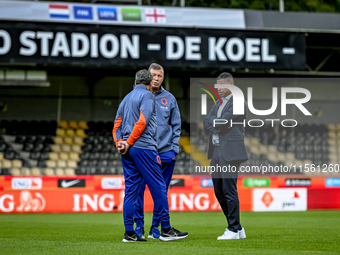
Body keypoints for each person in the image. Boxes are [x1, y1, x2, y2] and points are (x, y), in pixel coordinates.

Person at [112, 69, 188, 242]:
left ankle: (129, 233)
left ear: (134, 82)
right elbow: (143, 120)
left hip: (128, 151)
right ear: (148, 84)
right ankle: (166, 230)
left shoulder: (125, 98)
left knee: (131, 191)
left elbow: (116, 125)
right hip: (145, 148)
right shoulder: (148, 96)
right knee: (160, 187)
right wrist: (130, 141)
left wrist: (121, 144)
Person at [133, 63, 181, 239]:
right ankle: (138, 229)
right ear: (148, 76)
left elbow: (176, 125)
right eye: (153, 75)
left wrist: (173, 149)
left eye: (160, 75)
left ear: (163, 78)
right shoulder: (137, 96)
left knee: (161, 192)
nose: (156, 78)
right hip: (144, 152)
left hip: (165, 152)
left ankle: (156, 229)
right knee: (138, 192)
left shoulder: (169, 99)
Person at [203, 72, 248, 240]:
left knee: (229, 190)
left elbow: (222, 121)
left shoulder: (239, 101)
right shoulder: (218, 103)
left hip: (230, 151)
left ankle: (233, 228)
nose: (219, 89)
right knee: (219, 191)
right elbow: (206, 122)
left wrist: (216, 123)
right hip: (216, 150)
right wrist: (217, 124)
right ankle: (238, 228)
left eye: (222, 86)